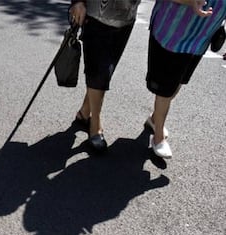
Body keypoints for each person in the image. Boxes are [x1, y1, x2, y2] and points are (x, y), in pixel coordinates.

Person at [145, 0, 226, 158]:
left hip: (202, 37)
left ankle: (155, 119)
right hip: (172, 32)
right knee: (166, 89)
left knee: (178, 82)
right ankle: (158, 136)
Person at [69, 0, 141, 152]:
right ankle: (95, 126)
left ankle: (84, 112)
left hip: (126, 17)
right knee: (98, 73)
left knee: (105, 71)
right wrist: (77, 1)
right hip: (96, 14)